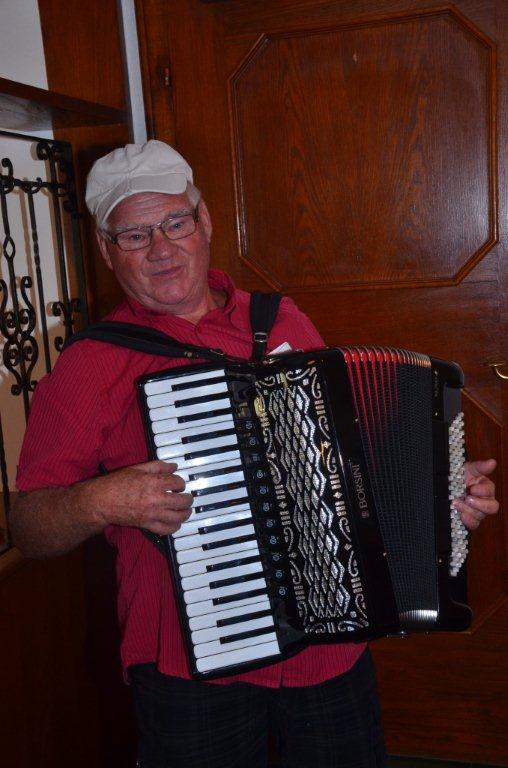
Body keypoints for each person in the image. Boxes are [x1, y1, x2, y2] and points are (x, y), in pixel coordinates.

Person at [11, 140, 499, 768]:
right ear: (107, 251)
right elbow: (29, 526)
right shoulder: (90, 366)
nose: (161, 249)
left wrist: (436, 492)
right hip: (189, 660)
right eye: (133, 235)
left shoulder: (281, 319)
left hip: (326, 645)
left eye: (175, 222)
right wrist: (98, 500)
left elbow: (347, 463)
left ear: (205, 221)